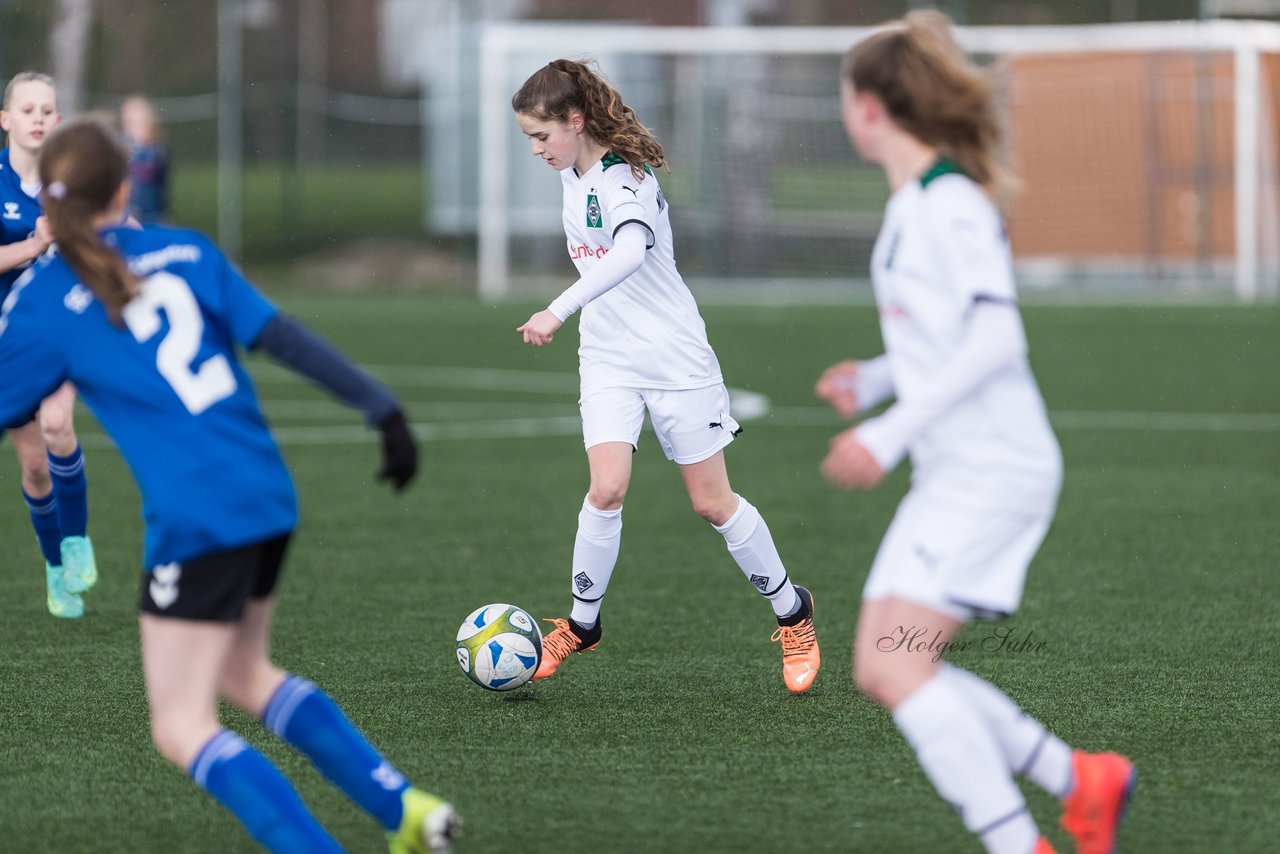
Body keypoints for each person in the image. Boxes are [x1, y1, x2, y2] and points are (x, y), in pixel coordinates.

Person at [0, 118, 456, 854]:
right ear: (126, 186)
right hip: (268, 495)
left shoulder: (45, 299)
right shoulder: (188, 250)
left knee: (181, 725)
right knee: (245, 672)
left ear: (51, 201)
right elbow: (284, 336)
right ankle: (402, 808)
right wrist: (382, 408)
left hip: (198, 519)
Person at [818, 12, 1135, 854]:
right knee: (887, 663)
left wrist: (888, 432)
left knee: (895, 664)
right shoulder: (912, 205)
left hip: (993, 471)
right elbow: (945, 334)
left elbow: (998, 338)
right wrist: (878, 377)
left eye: (846, 95)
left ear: (870, 109)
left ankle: (1016, 840)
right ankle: (1081, 781)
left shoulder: (948, 203)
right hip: (954, 472)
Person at [511, 59, 821, 694]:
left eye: (542, 136)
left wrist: (556, 308)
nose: (537, 149)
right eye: (529, 139)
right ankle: (582, 623)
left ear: (575, 121)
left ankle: (794, 613)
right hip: (607, 358)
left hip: (674, 357)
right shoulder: (573, 170)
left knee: (711, 502)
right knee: (606, 490)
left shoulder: (626, 179)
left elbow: (627, 251)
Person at [0, 71, 96, 618]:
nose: (37, 118)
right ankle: (55, 567)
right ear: (6, 120)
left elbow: (111, 232)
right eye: (27, 109)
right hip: (8, 343)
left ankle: (77, 541)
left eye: (47, 110)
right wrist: (33, 246)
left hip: (60, 336)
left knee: (59, 426)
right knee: (34, 467)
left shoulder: (73, 183)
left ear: (58, 121)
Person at [120, 94, 168, 224]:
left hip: (153, 217)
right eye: (131, 122)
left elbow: (146, 175)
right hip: (127, 216)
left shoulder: (157, 150)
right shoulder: (121, 146)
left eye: (139, 122)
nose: (134, 128)